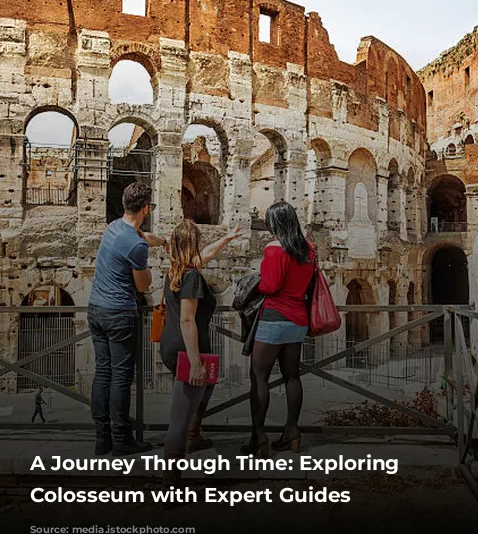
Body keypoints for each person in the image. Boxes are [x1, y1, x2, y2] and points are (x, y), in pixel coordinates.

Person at [160, 219, 243, 483]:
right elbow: (187, 320)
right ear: (193, 244)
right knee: (180, 419)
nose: (204, 245)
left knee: (202, 391)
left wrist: (227, 238)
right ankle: (169, 484)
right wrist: (195, 362)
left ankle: (192, 437)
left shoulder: (176, 269)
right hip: (186, 350)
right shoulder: (193, 276)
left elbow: (205, 256)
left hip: (171, 344)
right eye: (200, 240)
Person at [88, 181, 167, 456]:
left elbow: (137, 239)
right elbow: (143, 285)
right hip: (119, 313)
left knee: (103, 373)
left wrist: (157, 241)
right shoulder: (136, 246)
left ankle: (102, 438)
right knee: (121, 377)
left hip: (95, 309)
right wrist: (149, 264)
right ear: (146, 208)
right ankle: (122, 439)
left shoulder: (113, 228)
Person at [243, 201, 315, 457]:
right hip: (298, 319)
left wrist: (254, 282)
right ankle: (291, 431)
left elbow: (270, 286)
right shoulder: (309, 250)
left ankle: (259, 437)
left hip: (274, 318)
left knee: (259, 377)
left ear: (275, 224)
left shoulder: (274, 249)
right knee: (292, 376)